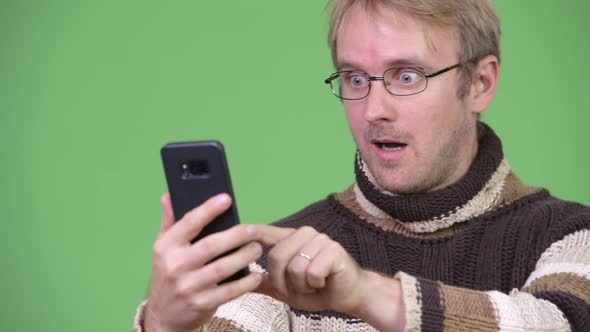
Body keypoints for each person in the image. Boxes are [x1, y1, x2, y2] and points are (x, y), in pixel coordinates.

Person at [134, 0, 590, 331]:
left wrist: (361, 294)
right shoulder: (286, 266)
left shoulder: (571, 236)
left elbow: (557, 323)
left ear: (480, 83)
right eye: (355, 78)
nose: (374, 109)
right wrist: (164, 324)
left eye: (406, 76)